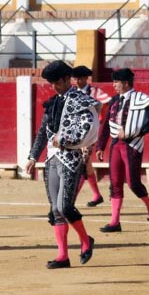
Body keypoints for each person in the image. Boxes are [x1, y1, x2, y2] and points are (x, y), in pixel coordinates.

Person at [25, 60, 98, 269]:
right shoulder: (52, 102)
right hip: (51, 159)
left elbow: (88, 128)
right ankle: (63, 256)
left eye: (57, 82)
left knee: (65, 206)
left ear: (67, 79)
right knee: (55, 209)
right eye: (52, 83)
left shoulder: (82, 100)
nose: (54, 87)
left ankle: (85, 240)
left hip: (71, 158)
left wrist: (65, 140)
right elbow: (42, 133)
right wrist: (32, 156)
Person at [95, 68, 149, 233]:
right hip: (115, 144)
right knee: (115, 183)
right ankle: (114, 222)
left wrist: (130, 133)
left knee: (134, 183)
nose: (114, 85)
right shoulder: (114, 101)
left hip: (132, 144)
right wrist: (100, 146)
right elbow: (106, 124)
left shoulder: (142, 99)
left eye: (116, 82)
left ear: (126, 83)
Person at [71, 65, 111, 207]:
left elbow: (108, 103)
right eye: (74, 78)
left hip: (90, 133)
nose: (76, 81)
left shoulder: (94, 91)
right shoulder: (72, 92)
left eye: (79, 78)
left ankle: (71, 200)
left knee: (82, 162)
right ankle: (97, 195)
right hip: (76, 133)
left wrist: (99, 119)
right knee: (86, 164)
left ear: (85, 79)